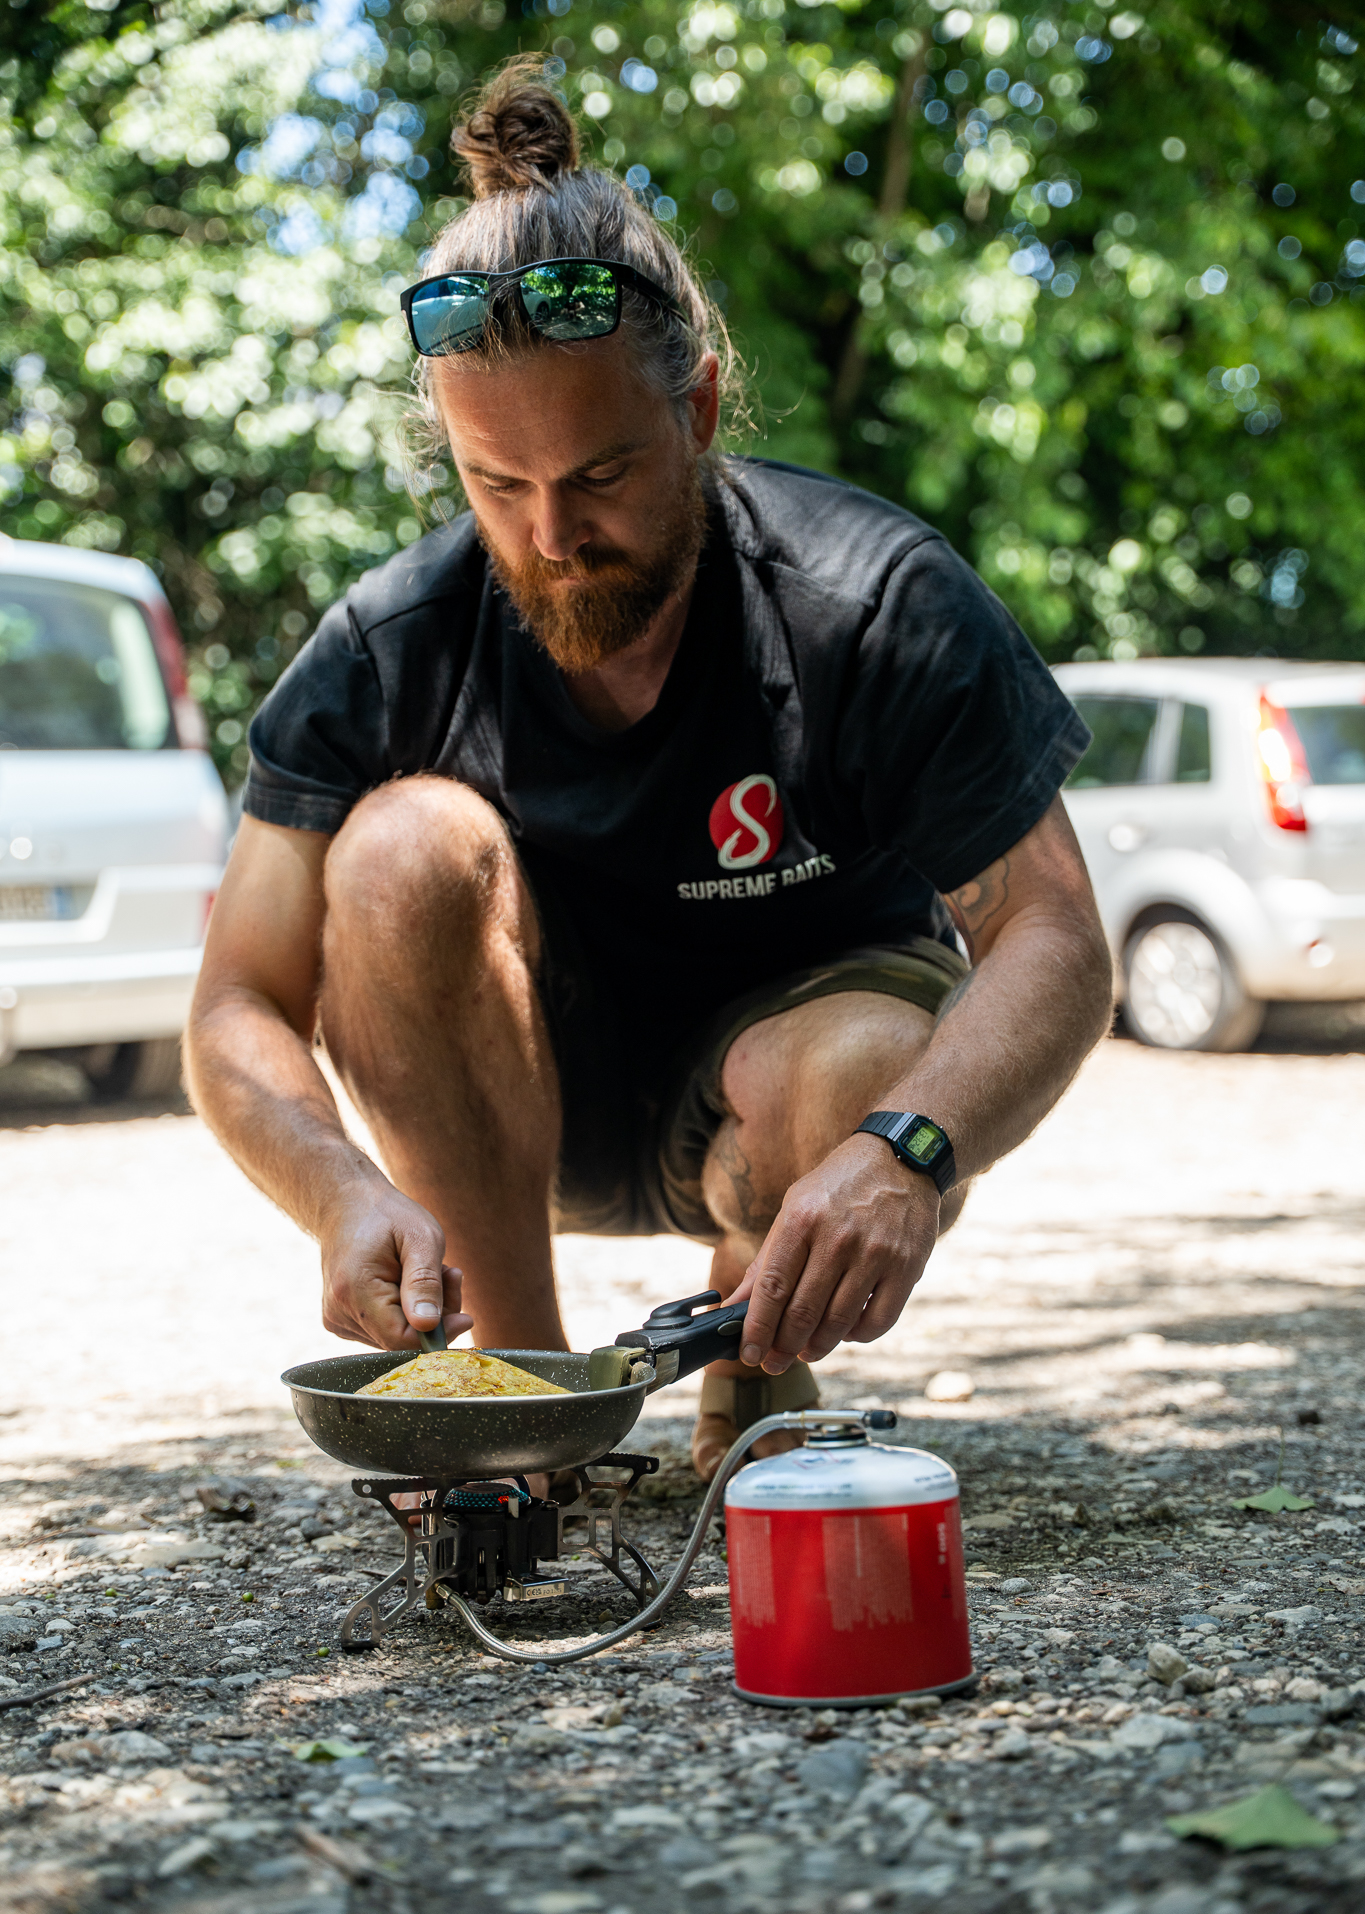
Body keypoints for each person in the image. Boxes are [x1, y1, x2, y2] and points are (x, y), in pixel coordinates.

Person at [185, 58, 1114, 1483]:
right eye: (499, 486)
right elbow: (238, 996)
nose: (552, 535)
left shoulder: (869, 602)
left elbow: (1052, 935)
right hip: (507, 1102)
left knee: (869, 1060)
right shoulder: (387, 644)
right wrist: (337, 1191)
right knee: (395, 849)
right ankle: (524, 1408)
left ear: (694, 405)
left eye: (600, 475)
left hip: (785, 1099)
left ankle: (752, 1368)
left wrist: (906, 1151)